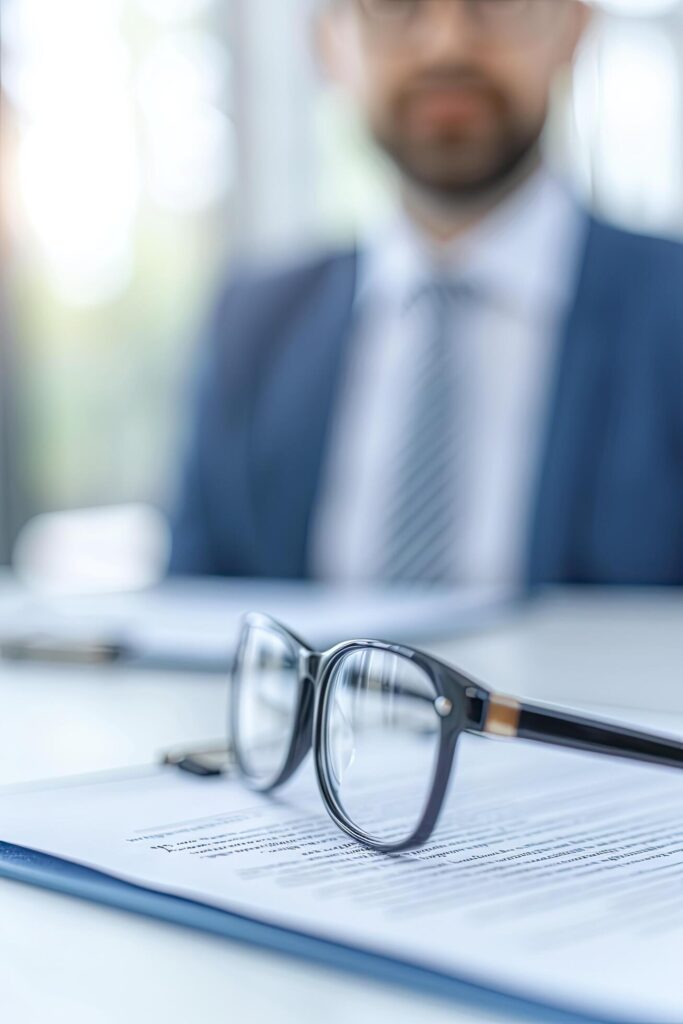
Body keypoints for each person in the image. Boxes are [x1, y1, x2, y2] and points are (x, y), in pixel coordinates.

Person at [169, 0, 683, 587]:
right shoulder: (250, 330)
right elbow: (190, 625)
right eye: (394, 5)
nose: (447, 44)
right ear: (329, 44)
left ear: (574, 27)